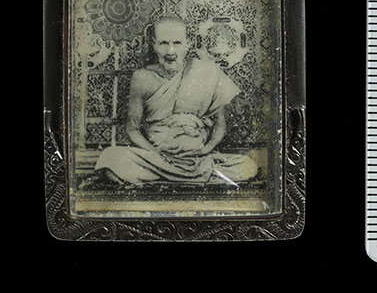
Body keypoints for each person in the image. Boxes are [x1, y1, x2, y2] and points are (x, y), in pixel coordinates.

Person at [95, 16, 258, 186]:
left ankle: (165, 180)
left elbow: (220, 124)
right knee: (110, 157)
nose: (170, 51)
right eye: (163, 43)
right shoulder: (142, 77)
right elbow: (132, 129)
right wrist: (156, 153)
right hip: (157, 159)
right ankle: (187, 179)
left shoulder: (207, 72)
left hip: (197, 158)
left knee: (248, 166)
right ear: (154, 44)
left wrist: (206, 150)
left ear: (188, 44)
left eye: (177, 43)